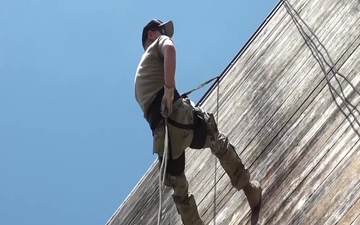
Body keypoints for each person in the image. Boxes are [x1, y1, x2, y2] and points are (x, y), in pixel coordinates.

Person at [134, 19, 262, 225]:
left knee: (179, 189)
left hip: (162, 137)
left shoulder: (139, 82)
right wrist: (168, 90)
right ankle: (249, 190)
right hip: (178, 117)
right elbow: (170, 50)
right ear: (151, 34)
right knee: (215, 138)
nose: (166, 34)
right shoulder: (159, 43)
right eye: (162, 31)